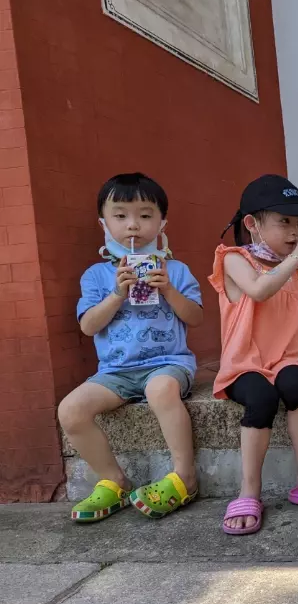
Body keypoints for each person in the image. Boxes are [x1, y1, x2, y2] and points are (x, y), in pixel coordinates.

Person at [210, 174, 298, 536]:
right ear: (252, 224)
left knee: (297, 385)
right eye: (284, 222)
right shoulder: (233, 259)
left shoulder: (293, 271)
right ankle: (249, 491)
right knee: (260, 397)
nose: (294, 232)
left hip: (286, 359)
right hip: (245, 364)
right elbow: (259, 291)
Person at [59, 173, 204, 522]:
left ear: (162, 222)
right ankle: (113, 479)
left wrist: (169, 290)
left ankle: (185, 475)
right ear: (104, 223)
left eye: (145, 215)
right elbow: (88, 325)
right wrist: (116, 294)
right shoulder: (95, 276)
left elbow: (196, 318)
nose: (133, 226)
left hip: (167, 363)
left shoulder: (177, 270)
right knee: (70, 411)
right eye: (121, 215)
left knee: (160, 389)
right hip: (115, 371)